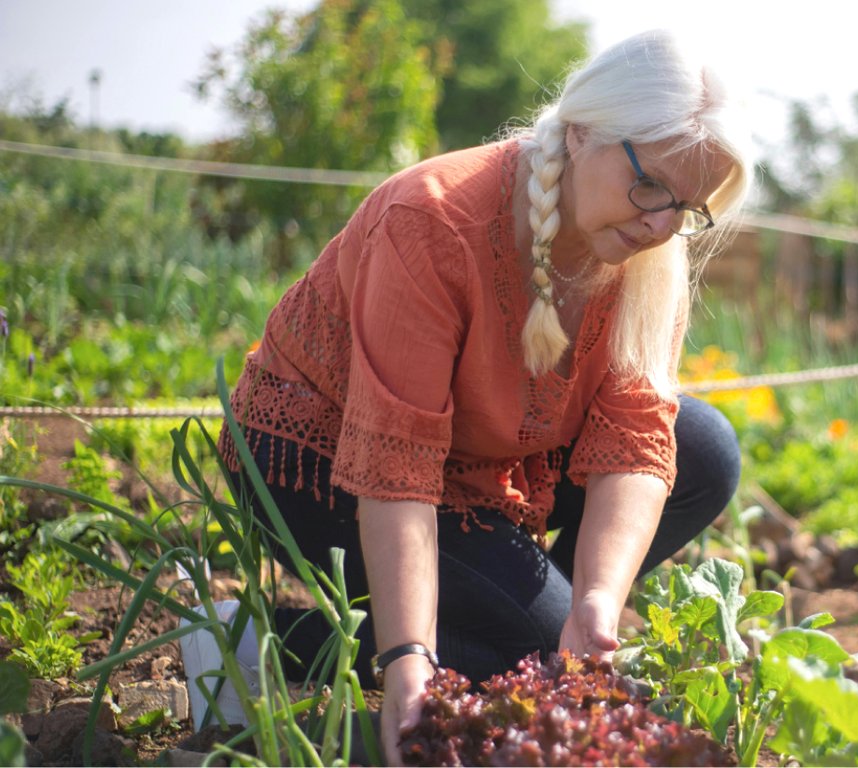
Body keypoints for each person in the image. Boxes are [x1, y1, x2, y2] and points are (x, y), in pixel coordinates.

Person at [209, 28, 753, 764]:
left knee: (705, 450)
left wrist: (596, 601)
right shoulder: (431, 220)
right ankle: (251, 636)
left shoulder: (646, 251)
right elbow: (396, 469)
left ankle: (516, 627)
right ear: (585, 130)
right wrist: (407, 655)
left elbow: (634, 433)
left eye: (687, 207)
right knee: (527, 646)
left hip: (482, 460)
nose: (661, 225)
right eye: (651, 184)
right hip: (318, 459)